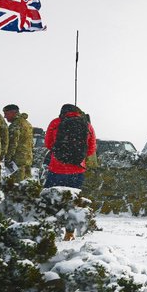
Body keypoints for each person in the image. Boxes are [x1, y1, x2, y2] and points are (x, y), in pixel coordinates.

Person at [45, 103, 97, 241]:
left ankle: (50, 229)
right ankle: (69, 233)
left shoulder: (55, 123)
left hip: (56, 169)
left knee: (50, 200)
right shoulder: (87, 125)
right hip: (77, 171)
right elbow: (91, 150)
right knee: (72, 202)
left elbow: (48, 144)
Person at [2, 104, 34, 182]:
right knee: (27, 185)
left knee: (16, 186)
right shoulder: (27, 123)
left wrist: (7, 159)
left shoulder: (15, 125)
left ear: (13, 112)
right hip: (27, 160)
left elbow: (12, 144)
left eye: (6, 113)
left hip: (17, 162)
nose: (4, 116)